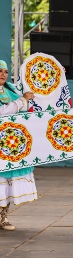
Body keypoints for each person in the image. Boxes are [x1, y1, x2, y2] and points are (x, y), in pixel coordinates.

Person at [0, 60, 36, 231]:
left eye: (5, 71)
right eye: (0, 71)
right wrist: (22, 100)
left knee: (6, 180)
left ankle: (3, 217)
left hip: (11, 143)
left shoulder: (11, 90)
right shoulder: (16, 95)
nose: (3, 74)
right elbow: (3, 112)